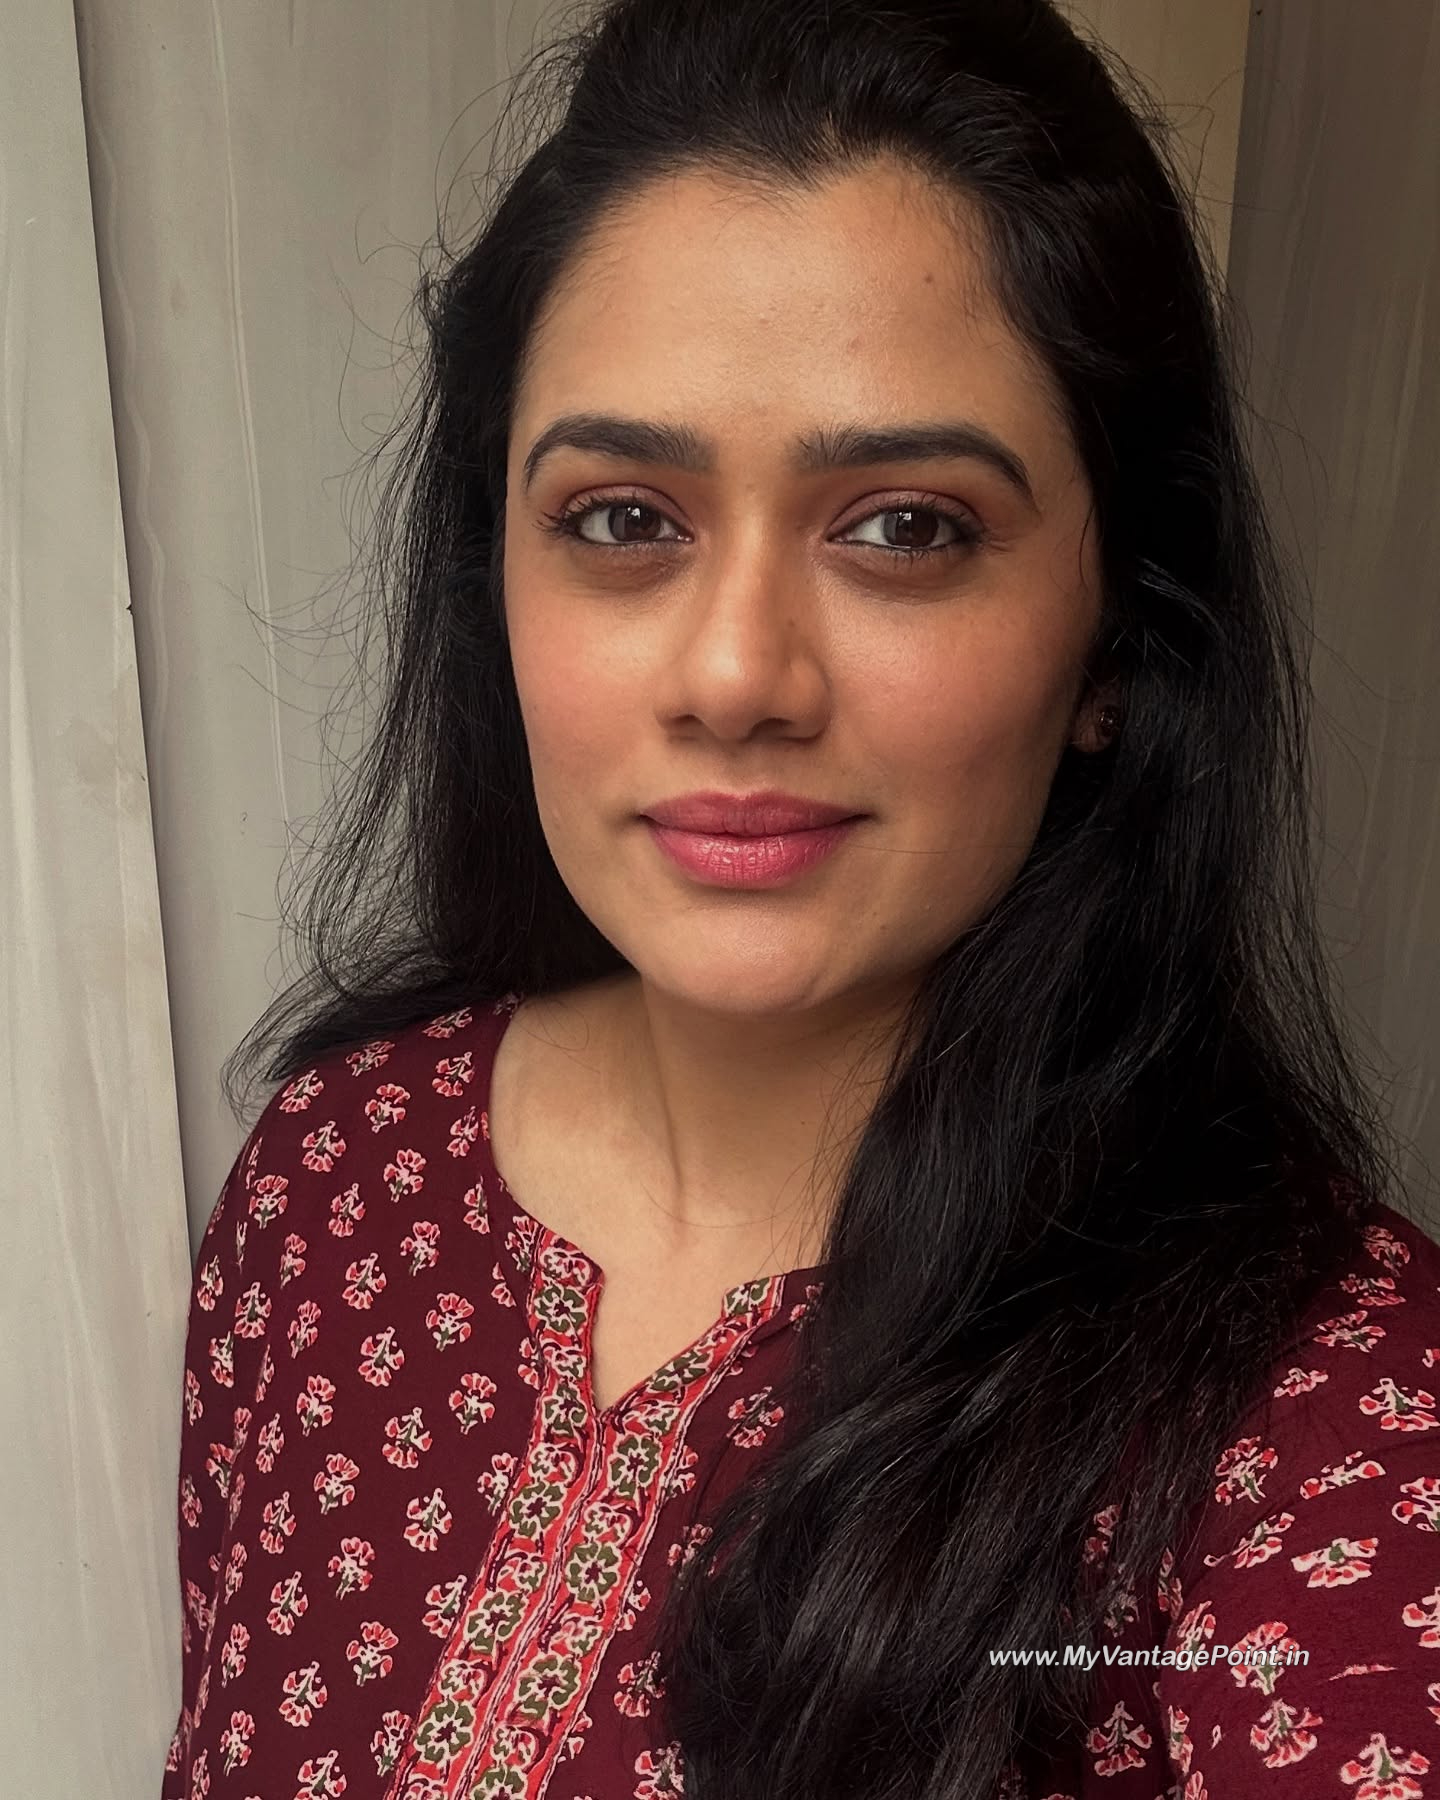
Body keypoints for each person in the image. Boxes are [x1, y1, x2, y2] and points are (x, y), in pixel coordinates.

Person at [161, 1, 1440, 1796]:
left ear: (1117, 641)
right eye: (624, 519)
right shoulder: (333, 1181)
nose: (737, 674)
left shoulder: (1324, 1431)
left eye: (906, 526)